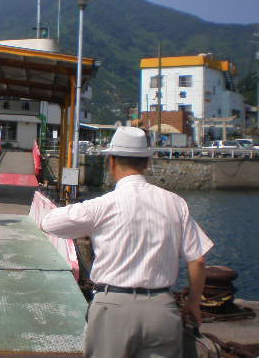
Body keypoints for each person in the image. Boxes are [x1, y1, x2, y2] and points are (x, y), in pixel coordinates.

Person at [41, 127, 213, 358]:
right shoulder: (175, 203)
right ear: (147, 162)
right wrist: (193, 302)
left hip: (113, 308)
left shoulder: (102, 205)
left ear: (111, 162)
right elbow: (198, 260)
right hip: (162, 310)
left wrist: (90, 230)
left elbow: (49, 223)